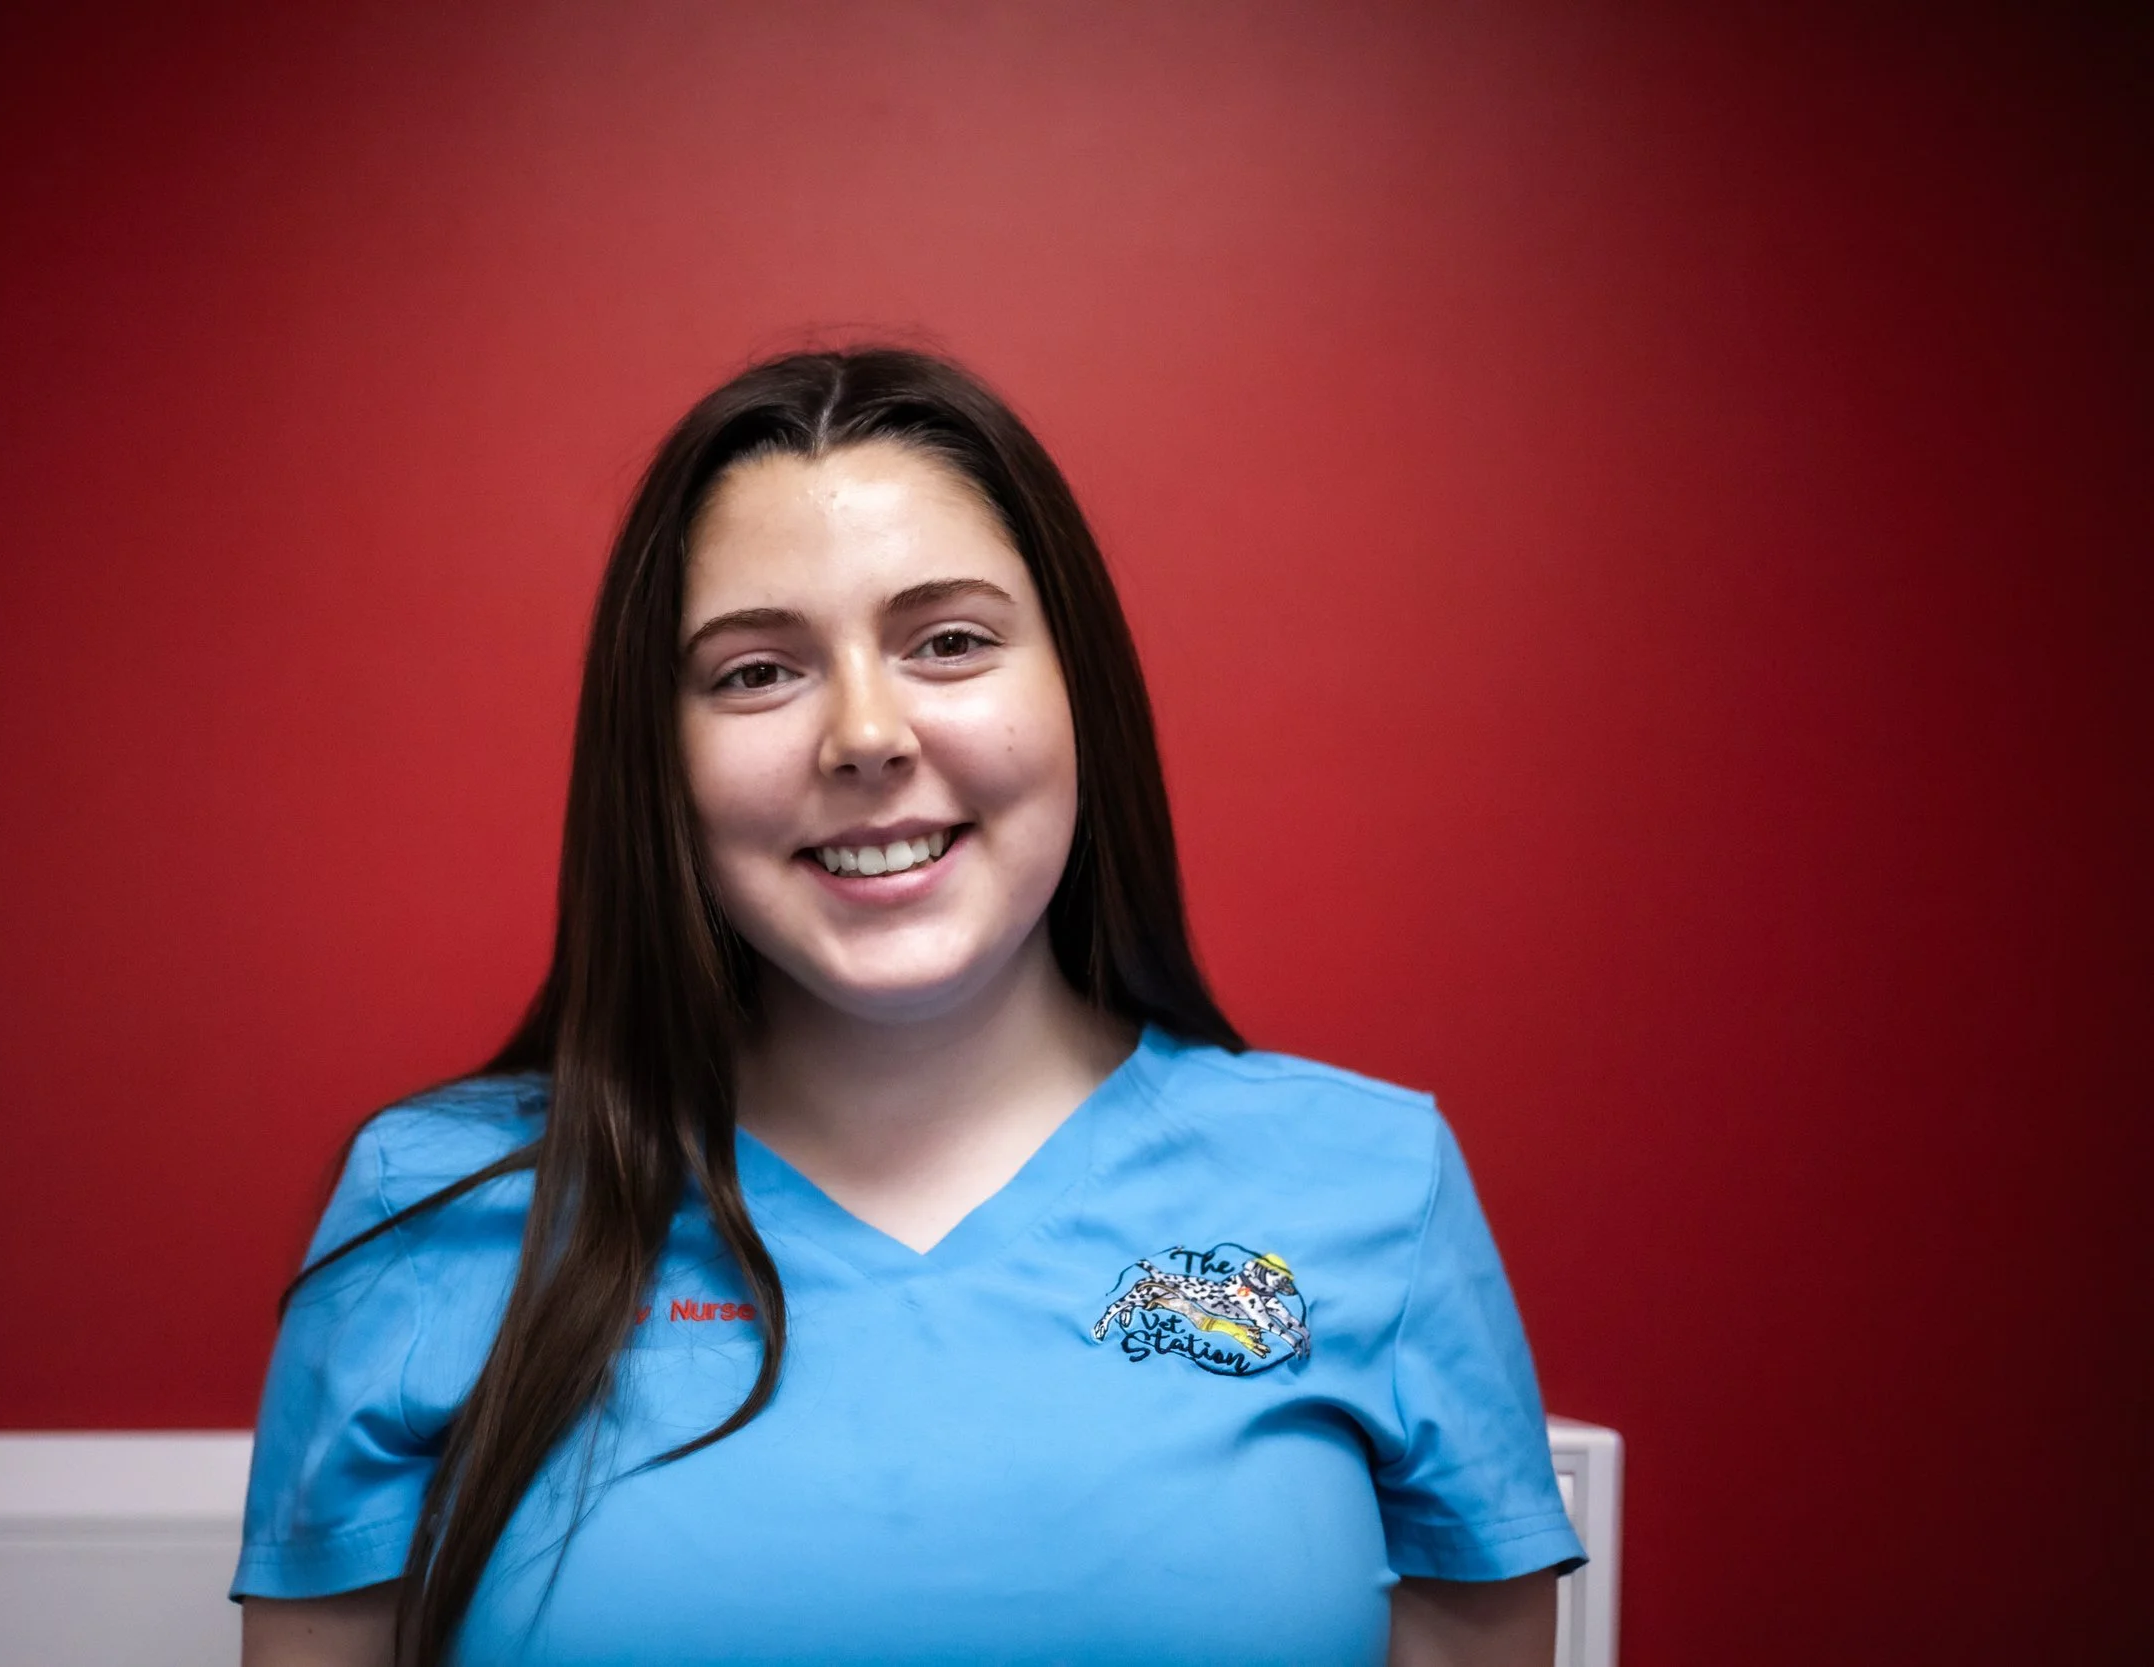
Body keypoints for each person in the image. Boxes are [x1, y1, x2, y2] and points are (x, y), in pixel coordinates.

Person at [233, 348, 1584, 1666]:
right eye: (758, 669)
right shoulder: (430, 1205)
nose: (867, 734)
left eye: (948, 640)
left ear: (1080, 697)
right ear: (660, 760)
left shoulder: (1372, 1183)